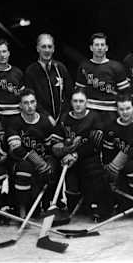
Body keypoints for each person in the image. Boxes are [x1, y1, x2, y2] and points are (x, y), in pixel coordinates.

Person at [53, 89, 113, 221]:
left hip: (89, 157)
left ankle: (101, 208)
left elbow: (94, 145)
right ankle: (75, 208)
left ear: (87, 102)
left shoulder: (95, 117)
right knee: (71, 185)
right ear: (71, 102)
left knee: (95, 174)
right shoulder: (64, 118)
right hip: (69, 158)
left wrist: (76, 154)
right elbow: (56, 141)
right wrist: (63, 151)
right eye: (75, 101)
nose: (78, 104)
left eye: (81, 101)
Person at [5, 88, 63, 217]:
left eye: (32, 102)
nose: (30, 106)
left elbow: (51, 146)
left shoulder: (44, 121)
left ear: (36, 103)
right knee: (24, 168)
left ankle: (49, 204)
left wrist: (50, 160)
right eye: (26, 103)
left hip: (42, 159)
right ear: (20, 105)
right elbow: (16, 150)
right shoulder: (14, 122)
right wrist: (37, 160)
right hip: (21, 161)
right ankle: (22, 208)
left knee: (54, 167)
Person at [76, 32, 130, 125]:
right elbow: (79, 91)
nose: (100, 47)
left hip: (111, 112)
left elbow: (125, 94)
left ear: (107, 48)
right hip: (90, 111)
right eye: (96, 45)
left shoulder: (117, 67)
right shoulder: (84, 66)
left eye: (102, 45)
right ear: (91, 48)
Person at [24, 34, 73, 123]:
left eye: (49, 47)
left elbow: (69, 95)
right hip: (40, 120)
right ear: (38, 49)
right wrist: (46, 116)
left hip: (62, 120)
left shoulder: (61, 68)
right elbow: (30, 99)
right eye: (43, 47)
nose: (47, 50)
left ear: (53, 49)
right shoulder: (30, 71)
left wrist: (64, 116)